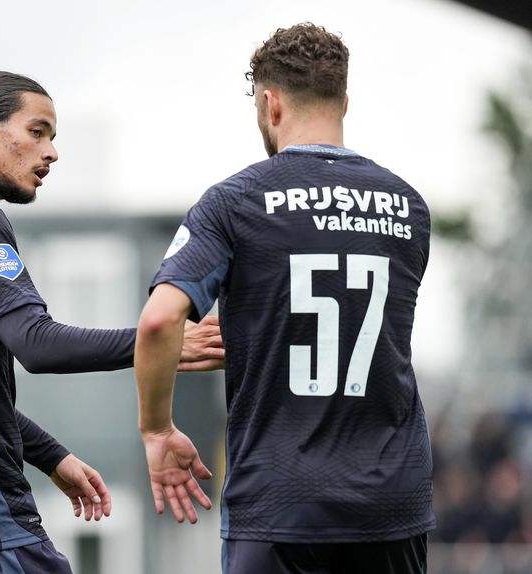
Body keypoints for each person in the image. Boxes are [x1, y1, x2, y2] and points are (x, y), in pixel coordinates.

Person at [0, 71, 224, 574]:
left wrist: (51, 455)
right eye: (38, 132)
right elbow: (36, 345)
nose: (51, 151)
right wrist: (159, 342)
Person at [134, 23, 434, 574]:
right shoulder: (408, 207)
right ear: (344, 100)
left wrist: (157, 428)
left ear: (270, 104)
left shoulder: (235, 201)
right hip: (391, 503)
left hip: (278, 502)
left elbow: (158, 323)